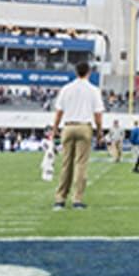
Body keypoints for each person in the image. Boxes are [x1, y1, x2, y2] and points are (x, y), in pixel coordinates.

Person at [50, 61, 105, 209]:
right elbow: (98, 114)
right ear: (88, 72)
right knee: (81, 164)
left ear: (76, 72)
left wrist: (55, 128)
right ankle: (77, 199)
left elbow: (59, 112)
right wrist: (100, 131)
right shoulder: (93, 90)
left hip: (68, 126)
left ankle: (60, 198)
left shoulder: (66, 88)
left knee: (66, 164)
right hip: (84, 126)